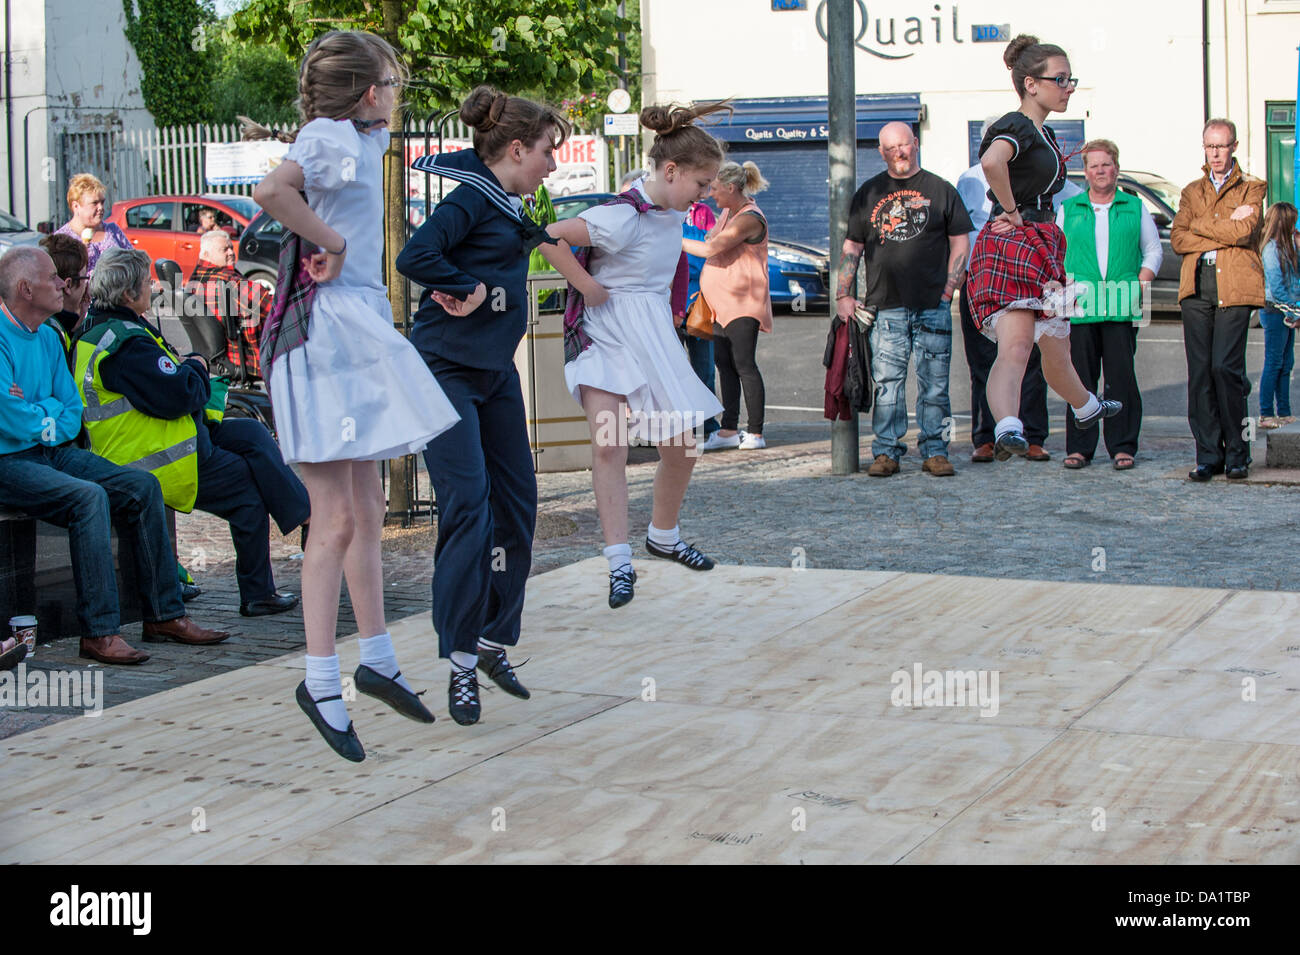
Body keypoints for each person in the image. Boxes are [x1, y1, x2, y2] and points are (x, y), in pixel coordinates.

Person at [251, 30, 460, 762]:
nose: (399, 94)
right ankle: (319, 679)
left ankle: (377, 658)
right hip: (321, 339)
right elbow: (271, 191)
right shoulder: (330, 134)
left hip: (353, 328)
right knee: (334, 517)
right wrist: (330, 243)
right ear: (371, 93)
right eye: (393, 83)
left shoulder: (362, 142)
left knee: (368, 505)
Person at [397, 86, 571, 726]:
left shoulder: (509, 202)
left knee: (519, 505)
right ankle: (461, 664)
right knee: (469, 507)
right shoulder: (471, 197)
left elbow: (551, 246)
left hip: (494, 374)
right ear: (518, 148)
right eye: (548, 151)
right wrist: (463, 286)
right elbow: (414, 255)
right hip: (445, 371)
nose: (553, 163)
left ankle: (495, 642)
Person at [0, 246, 229, 664]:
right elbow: (8, 418)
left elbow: (71, 414)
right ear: (24, 288)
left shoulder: (50, 336)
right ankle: (99, 632)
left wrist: (40, 413)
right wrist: (44, 412)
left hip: (53, 451)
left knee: (142, 485)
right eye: (54, 278)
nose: (64, 285)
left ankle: (164, 614)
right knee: (88, 498)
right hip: (8, 462)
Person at [543, 103, 728, 609]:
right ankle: (619, 561)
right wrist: (587, 286)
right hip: (603, 334)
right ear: (671, 171)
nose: (706, 192)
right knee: (610, 444)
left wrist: (671, 316)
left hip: (649, 335)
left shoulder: (670, 215)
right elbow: (550, 237)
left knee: (684, 443)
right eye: (702, 182)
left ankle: (662, 536)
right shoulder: (620, 215)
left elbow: (669, 273)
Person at [76, 247, 308, 616]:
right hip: (156, 456)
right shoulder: (125, 342)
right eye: (145, 282)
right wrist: (197, 365)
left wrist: (186, 370)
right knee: (248, 489)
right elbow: (180, 392)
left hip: (167, 436)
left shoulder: (111, 328)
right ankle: (259, 592)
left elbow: (168, 380)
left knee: (250, 433)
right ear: (127, 294)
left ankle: (305, 517)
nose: (152, 287)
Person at [966, 34, 1120, 461]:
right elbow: (992, 163)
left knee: (1056, 348)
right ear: (1031, 84)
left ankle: (1086, 406)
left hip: (1041, 242)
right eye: (1061, 79)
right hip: (1015, 241)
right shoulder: (1014, 126)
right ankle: (1008, 427)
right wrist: (1012, 209)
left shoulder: (1043, 132)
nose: (1069, 87)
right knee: (1015, 346)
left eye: (1071, 80)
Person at [836, 122, 972, 477]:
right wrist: (843, 293)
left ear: (915, 144)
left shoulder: (940, 190)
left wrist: (949, 288)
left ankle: (935, 450)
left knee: (935, 383)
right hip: (885, 305)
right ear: (881, 152)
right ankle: (886, 452)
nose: (900, 152)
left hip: (933, 304)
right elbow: (853, 246)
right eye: (891, 147)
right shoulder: (868, 193)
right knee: (888, 385)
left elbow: (960, 239)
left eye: (905, 145)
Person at [955, 116, 1081, 464]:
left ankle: (1032, 436)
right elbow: (958, 226)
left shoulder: (1038, 178)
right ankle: (987, 438)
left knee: (1030, 356)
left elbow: (1068, 202)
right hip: (984, 275)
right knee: (983, 361)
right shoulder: (968, 179)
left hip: (1030, 269)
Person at [1171, 118, 1267, 481]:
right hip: (1196, 287)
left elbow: (1245, 232)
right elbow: (1179, 239)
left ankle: (1238, 453)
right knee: (1200, 374)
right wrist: (1222, 227)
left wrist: (1200, 225)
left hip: (1235, 285)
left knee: (1226, 370)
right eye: (1209, 146)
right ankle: (1208, 455)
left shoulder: (1251, 188)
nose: (1215, 153)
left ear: (1234, 147)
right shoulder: (1191, 191)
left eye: (1221, 146)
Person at [1056, 139, 1162, 470]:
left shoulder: (1134, 206)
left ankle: (1122, 445)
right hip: (1081, 307)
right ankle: (1080, 448)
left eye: (1106, 164)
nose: (1101, 170)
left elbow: (1154, 251)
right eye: (1094, 165)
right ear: (1085, 172)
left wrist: (1139, 283)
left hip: (1122, 303)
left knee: (1120, 378)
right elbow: (1057, 257)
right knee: (1080, 380)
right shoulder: (1070, 209)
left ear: (1116, 167)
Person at [686, 160, 772, 452]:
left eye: (715, 188)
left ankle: (756, 432)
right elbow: (711, 238)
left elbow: (711, 247)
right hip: (721, 303)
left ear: (732, 188)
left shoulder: (749, 217)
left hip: (743, 301)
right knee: (725, 365)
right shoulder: (727, 213)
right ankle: (729, 430)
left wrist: (675, 239)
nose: (711, 194)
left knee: (745, 365)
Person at [191, 229, 270, 379]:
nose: (231, 252)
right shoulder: (233, 283)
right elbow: (274, 308)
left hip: (216, 357)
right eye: (224, 249)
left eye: (231, 248)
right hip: (247, 359)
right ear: (206, 254)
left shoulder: (195, 279)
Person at [677, 200, 720, 443]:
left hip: (686, 306)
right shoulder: (700, 234)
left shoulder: (673, 232)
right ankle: (707, 426)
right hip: (696, 304)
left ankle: (695, 426)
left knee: (684, 372)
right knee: (703, 371)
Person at [1256, 201, 1299, 429]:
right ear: (1283, 223)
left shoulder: (1289, 246)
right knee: (1273, 362)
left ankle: (1284, 411)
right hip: (1275, 310)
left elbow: (1295, 281)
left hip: (1287, 308)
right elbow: (1277, 286)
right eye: (1292, 221)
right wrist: (1294, 307)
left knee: (1286, 362)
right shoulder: (1271, 249)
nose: (1295, 226)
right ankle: (1266, 413)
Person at [54, 174, 132, 275]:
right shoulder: (62, 239)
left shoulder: (112, 230)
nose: (100, 207)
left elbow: (133, 263)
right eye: (94, 203)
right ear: (76, 206)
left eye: (102, 202)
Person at [37, 233, 90, 363]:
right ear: (67, 285)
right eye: (85, 277)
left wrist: (78, 324)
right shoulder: (50, 331)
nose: (87, 286)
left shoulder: (42, 318)